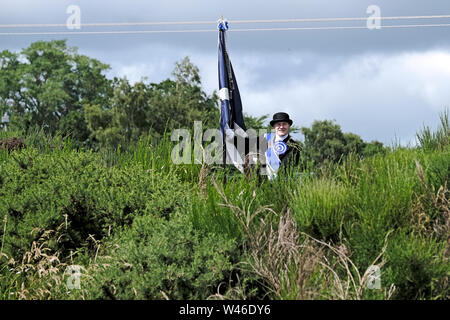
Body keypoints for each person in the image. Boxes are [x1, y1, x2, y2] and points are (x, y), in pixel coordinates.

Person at [245, 112, 302, 179]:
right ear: (274, 126)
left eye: (284, 124)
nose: (281, 127)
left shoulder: (294, 146)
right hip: (262, 182)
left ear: (289, 126)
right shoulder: (264, 138)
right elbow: (245, 144)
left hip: (283, 183)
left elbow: (286, 168)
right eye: (278, 124)